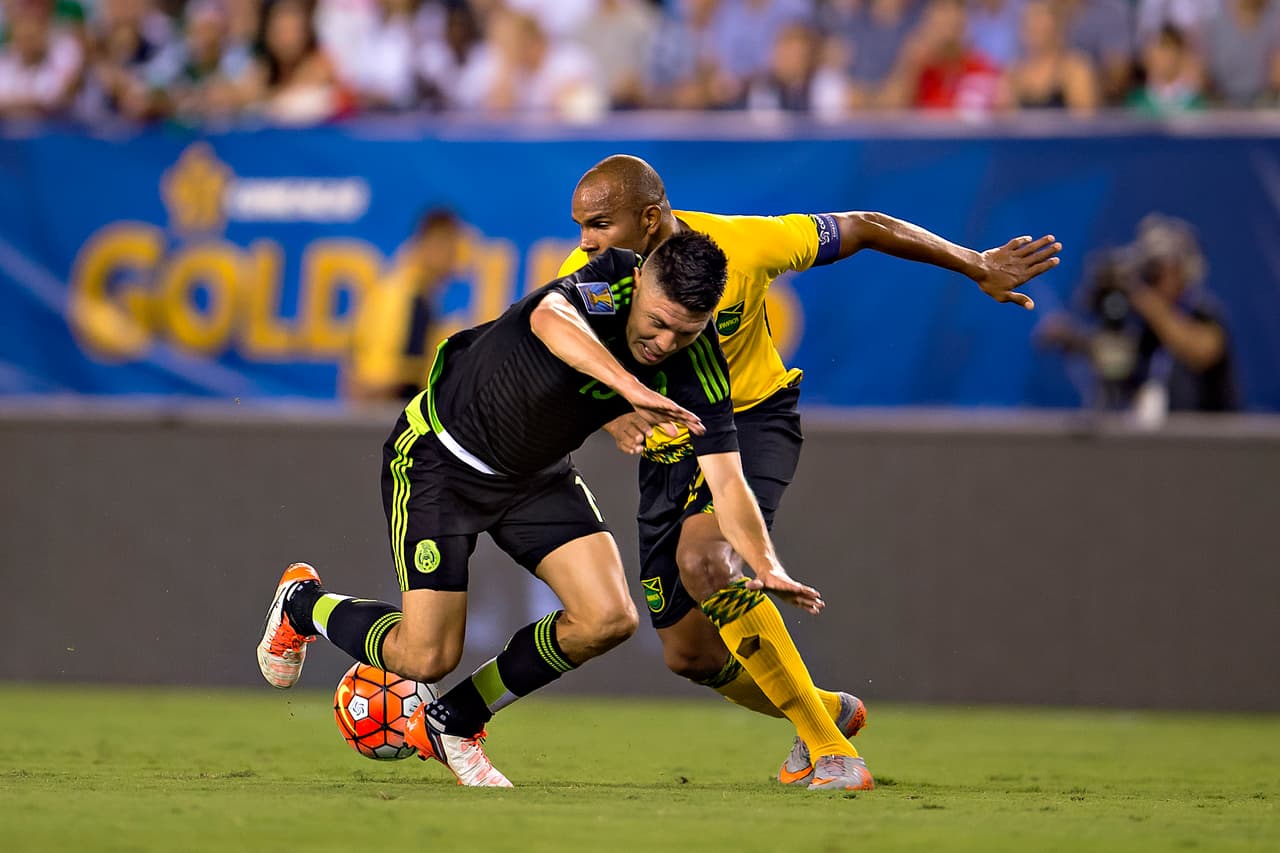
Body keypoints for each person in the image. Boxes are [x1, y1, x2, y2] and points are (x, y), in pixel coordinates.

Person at [258, 231, 874, 791]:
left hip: (534, 477)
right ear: (643, 286)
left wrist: (765, 563)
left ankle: (455, 719)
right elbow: (550, 318)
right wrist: (628, 390)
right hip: (441, 463)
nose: (664, 345)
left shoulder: (698, 361)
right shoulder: (608, 280)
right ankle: (303, 605)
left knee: (608, 618)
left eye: (685, 333)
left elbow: (728, 479)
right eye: (657, 323)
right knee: (425, 658)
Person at [559, 154, 1061, 786]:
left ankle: (832, 752)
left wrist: (976, 264)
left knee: (707, 561)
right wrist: (611, 418)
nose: (585, 241)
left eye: (600, 224)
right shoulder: (588, 278)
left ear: (651, 217)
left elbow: (864, 224)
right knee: (687, 653)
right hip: (668, 448)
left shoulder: (743, 245)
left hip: (749, 425)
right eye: (581, 225)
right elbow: (565, 359)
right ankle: (825, 711)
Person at [1036, 214, 1238, 415]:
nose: (1152, 277)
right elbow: (1118, 361)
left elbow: (1200, 352)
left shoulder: (1203, 312)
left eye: (1159, 269)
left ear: (1184, 270)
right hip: (1156, 440)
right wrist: (1076, 340)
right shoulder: (1141, 324)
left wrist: (1139, 294)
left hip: (1209, 439)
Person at [347, 208, 465, 402]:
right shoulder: (403, 299)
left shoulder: (414, 294)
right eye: (452, 248)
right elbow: (379, 382)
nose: (455, 259)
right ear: (432, 245)